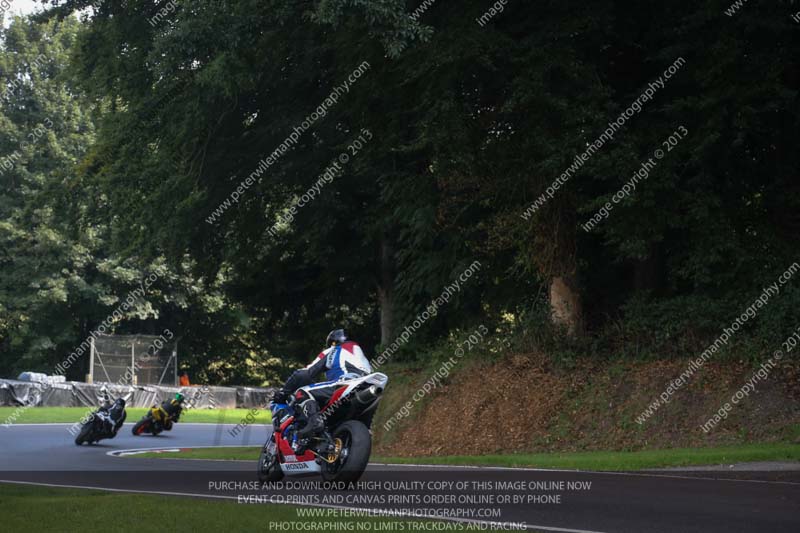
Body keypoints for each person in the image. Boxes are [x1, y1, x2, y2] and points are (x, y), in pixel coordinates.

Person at [272, 329, 371, 438]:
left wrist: (284, 392)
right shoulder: (359, 352)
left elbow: (305, 374)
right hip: (367, 385)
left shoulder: (333, 350)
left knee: (302, 392)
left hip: (346, 382)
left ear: (332, 343)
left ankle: (315, 423)